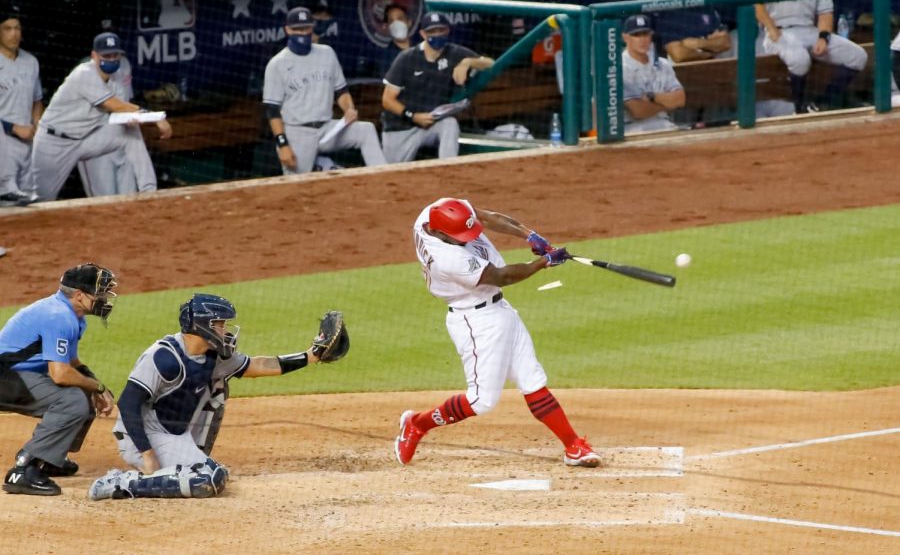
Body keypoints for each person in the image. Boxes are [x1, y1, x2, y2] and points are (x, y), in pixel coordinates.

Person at [394, 198, 600, 468]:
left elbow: (488, 217)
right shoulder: (449, 259)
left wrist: (530, 234)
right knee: (481, 401)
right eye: (461, 237)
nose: (468, 239)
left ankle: (574, 446)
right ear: (440, 234)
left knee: (532, 380)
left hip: (500, 310)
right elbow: (502, 277)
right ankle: (416, 423)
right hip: (476, 321)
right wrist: (543, 263)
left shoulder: (434, 213)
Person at [87, 294, 348, 500]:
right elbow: (128, 405)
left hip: (173, 432)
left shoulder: (213, 356)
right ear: (203, 326)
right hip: (140, 436)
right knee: (208, 480)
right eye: (221, 325)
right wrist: (147, 455)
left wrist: (311, 355)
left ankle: (191, 457)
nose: (226, 331)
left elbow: (258, 366)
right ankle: (119, 484)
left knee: (219, 387)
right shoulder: (164, 358)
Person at [0, 263, 118, 496]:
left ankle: (50, 457)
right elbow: (60, 374)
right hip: (5, 377)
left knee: (82, 391)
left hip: (15, 375)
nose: (105, 299)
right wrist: (98, 386)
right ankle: (25, 469)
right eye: (100, 293)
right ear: (79, 295)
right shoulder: (59, 316)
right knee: (72, 400)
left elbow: (71, 362)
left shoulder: (71, 314)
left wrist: (93, 383)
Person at [31, 32, 171, 201]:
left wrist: (134, 118)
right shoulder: (84, 73)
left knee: (130, 134)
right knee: (39, 201)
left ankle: (149, 193)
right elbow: (115, 105)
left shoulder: (115, 80)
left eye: (115, 55)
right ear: (94, 55)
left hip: (86, 139)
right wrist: (155, 117)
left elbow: (118, 113)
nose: (111, 59)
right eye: (106, 55)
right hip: (54, 143)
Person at [263, 6, 385, 175]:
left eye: (305, 28)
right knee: (297, 187)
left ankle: (383, 179)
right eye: (297, 29)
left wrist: (349, 108)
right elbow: (272, 110)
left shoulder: (327, 53)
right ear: (287, 29)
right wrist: (282, 144)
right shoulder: (277, 64)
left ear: (312, 28)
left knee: (365, 130)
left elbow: (341, 90)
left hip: (328, 129)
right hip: (298, 133)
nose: (302, 33)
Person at [749, 0, 868, 113]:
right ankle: (800, 109)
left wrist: (823, 37)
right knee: (800, 59)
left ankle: (825, 102)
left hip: (809, 30)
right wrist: (770, 27)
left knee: (858, 56)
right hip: (780, 31)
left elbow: (825, 12)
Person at [381, 12, 494, 163]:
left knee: (450, 124)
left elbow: (490, 63)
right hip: (401, 127)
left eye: (441, 30)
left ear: (447, 30)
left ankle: (448, 172)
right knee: (390, 175)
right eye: (432, 31)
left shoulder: (455, 53)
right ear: (422, 34)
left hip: (431, 124)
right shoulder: (407, 58)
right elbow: (387, 100)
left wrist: (467, 62)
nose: (437, 34)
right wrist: (413, 116)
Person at [76, 54, 157, 196]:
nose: (112, 56)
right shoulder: (84, 70)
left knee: (129, 200)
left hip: (123, 138)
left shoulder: (124, 63)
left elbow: (126, 100)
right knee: (103, 203)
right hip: (96, 142)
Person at [0, 4, 42, 207]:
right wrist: (13, 127)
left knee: (27, 206)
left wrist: (37, 121)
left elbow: (37, 100)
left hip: (27, 140)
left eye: (17, 28)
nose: (14, 34)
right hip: (4, 140)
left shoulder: (31, 61)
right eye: (7, 29)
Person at [621, 14, 686, 134]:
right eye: (636, 35)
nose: (642, 40)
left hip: (665, 125)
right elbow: (638, 111)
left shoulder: (662, 64)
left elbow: (680, 99)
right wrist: (666, 104)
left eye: (645, 34)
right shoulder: (620, 68)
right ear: (625, 38)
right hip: (633, 129)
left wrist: (653, 97)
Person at [655, 0, 732, 63]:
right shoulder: (666, 14)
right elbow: (678, 55)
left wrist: (697, 43)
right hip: (680, 71)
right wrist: (709, 51)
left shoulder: (705, 7)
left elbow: (725, 43)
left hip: (711, 69)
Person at [374, 2, 415, 78]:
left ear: (409, 22)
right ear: (386, 27)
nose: (396, 23)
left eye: (400, 18)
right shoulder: (385, 59)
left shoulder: (423, 48)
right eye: (391, 21)